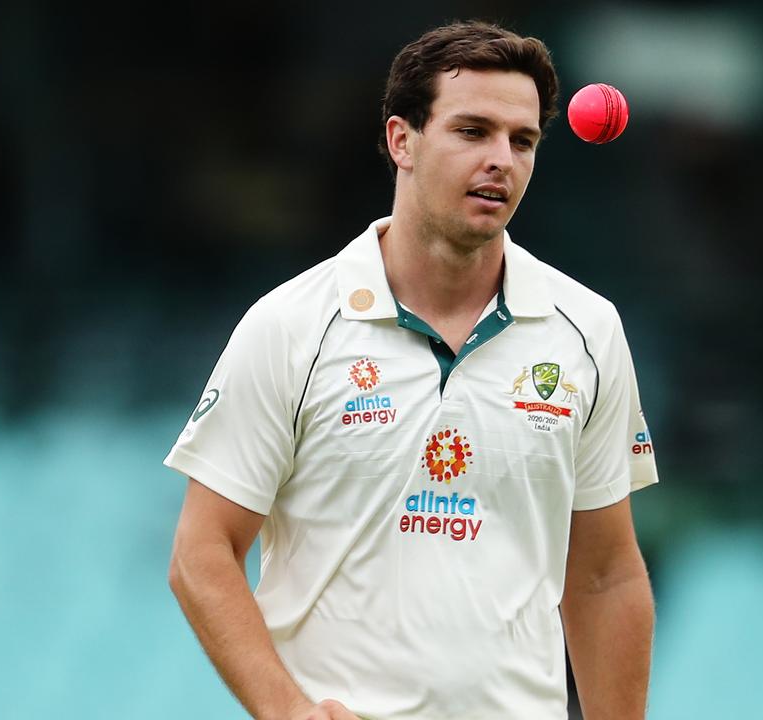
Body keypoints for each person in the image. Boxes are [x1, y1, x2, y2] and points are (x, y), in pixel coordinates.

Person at [165, 20, 658, 720]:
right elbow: (201, 552)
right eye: (473, 131)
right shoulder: (291, 326)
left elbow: (606, 575)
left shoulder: (587, 330)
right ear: (403, 140)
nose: (501, 160)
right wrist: (288, 710)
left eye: (522, 141)